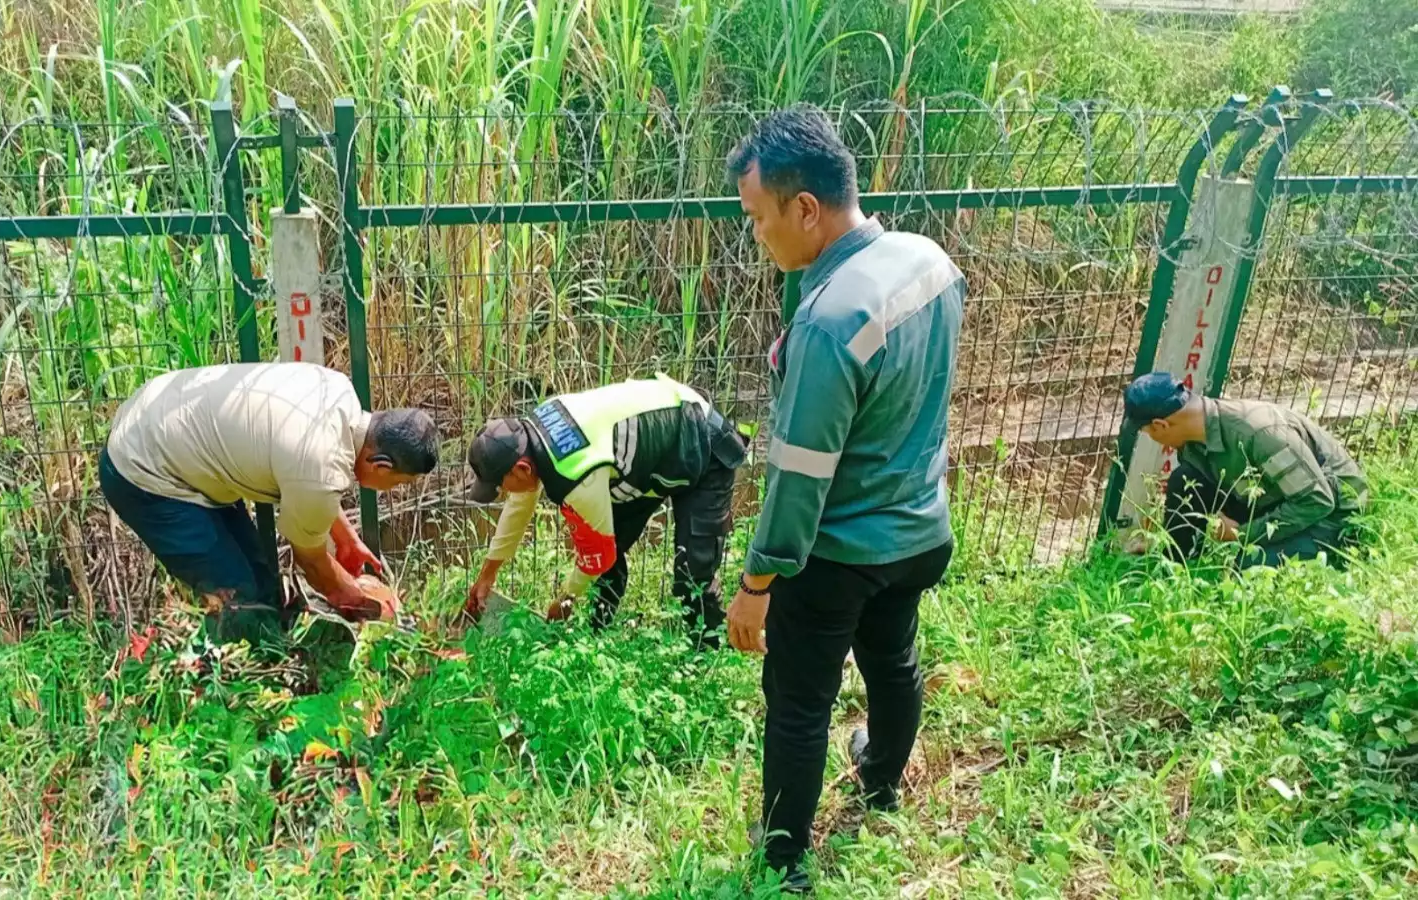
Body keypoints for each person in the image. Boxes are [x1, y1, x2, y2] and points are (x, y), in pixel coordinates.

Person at [722, 106, 966, 893]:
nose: (757, 237)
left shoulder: (829, 320)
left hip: (840, 553)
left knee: (798, 701)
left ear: (805, 209)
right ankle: (883, 781)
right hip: (921, 528)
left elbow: (798, 477)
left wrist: (758, 584)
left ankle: (785, 862)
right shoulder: (928, 259)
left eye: (759, 219)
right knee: (892, 659)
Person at [99, 362, 439, 647]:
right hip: (143, 469)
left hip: (163, 419)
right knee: (239, 600)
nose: (392, 490)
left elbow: (309, 477)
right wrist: (372, 607)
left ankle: (262, 662)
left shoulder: (338, 390)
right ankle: (241, 703)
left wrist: (347, 540)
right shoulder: (319, 469)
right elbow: (318, 569)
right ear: (381, 464)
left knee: (261, 580)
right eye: (399, 482)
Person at [463, 374, 748, 645]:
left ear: (522, 468)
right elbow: (519, 506)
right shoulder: (532, 435)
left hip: (699, 439)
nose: (504, 494)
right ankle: (597, 637)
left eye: (501, 486)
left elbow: (596, 554)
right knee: (613, 548)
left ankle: (707, 652)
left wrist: (566, 600)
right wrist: (488, 574)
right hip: (651, 452)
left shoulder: (576, 475)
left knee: (692, 572)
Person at [1123, 371, 1366, 566]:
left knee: (1248, 565)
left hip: (1333, 514)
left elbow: (1317, 501)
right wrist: (1165, 541)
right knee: (1185, 480)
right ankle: (1173, 563)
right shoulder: (1195, 437)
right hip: (1278, 495)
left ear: (1160, 425)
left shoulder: (1259, 434)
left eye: (1146, 433)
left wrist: (1243, 534)